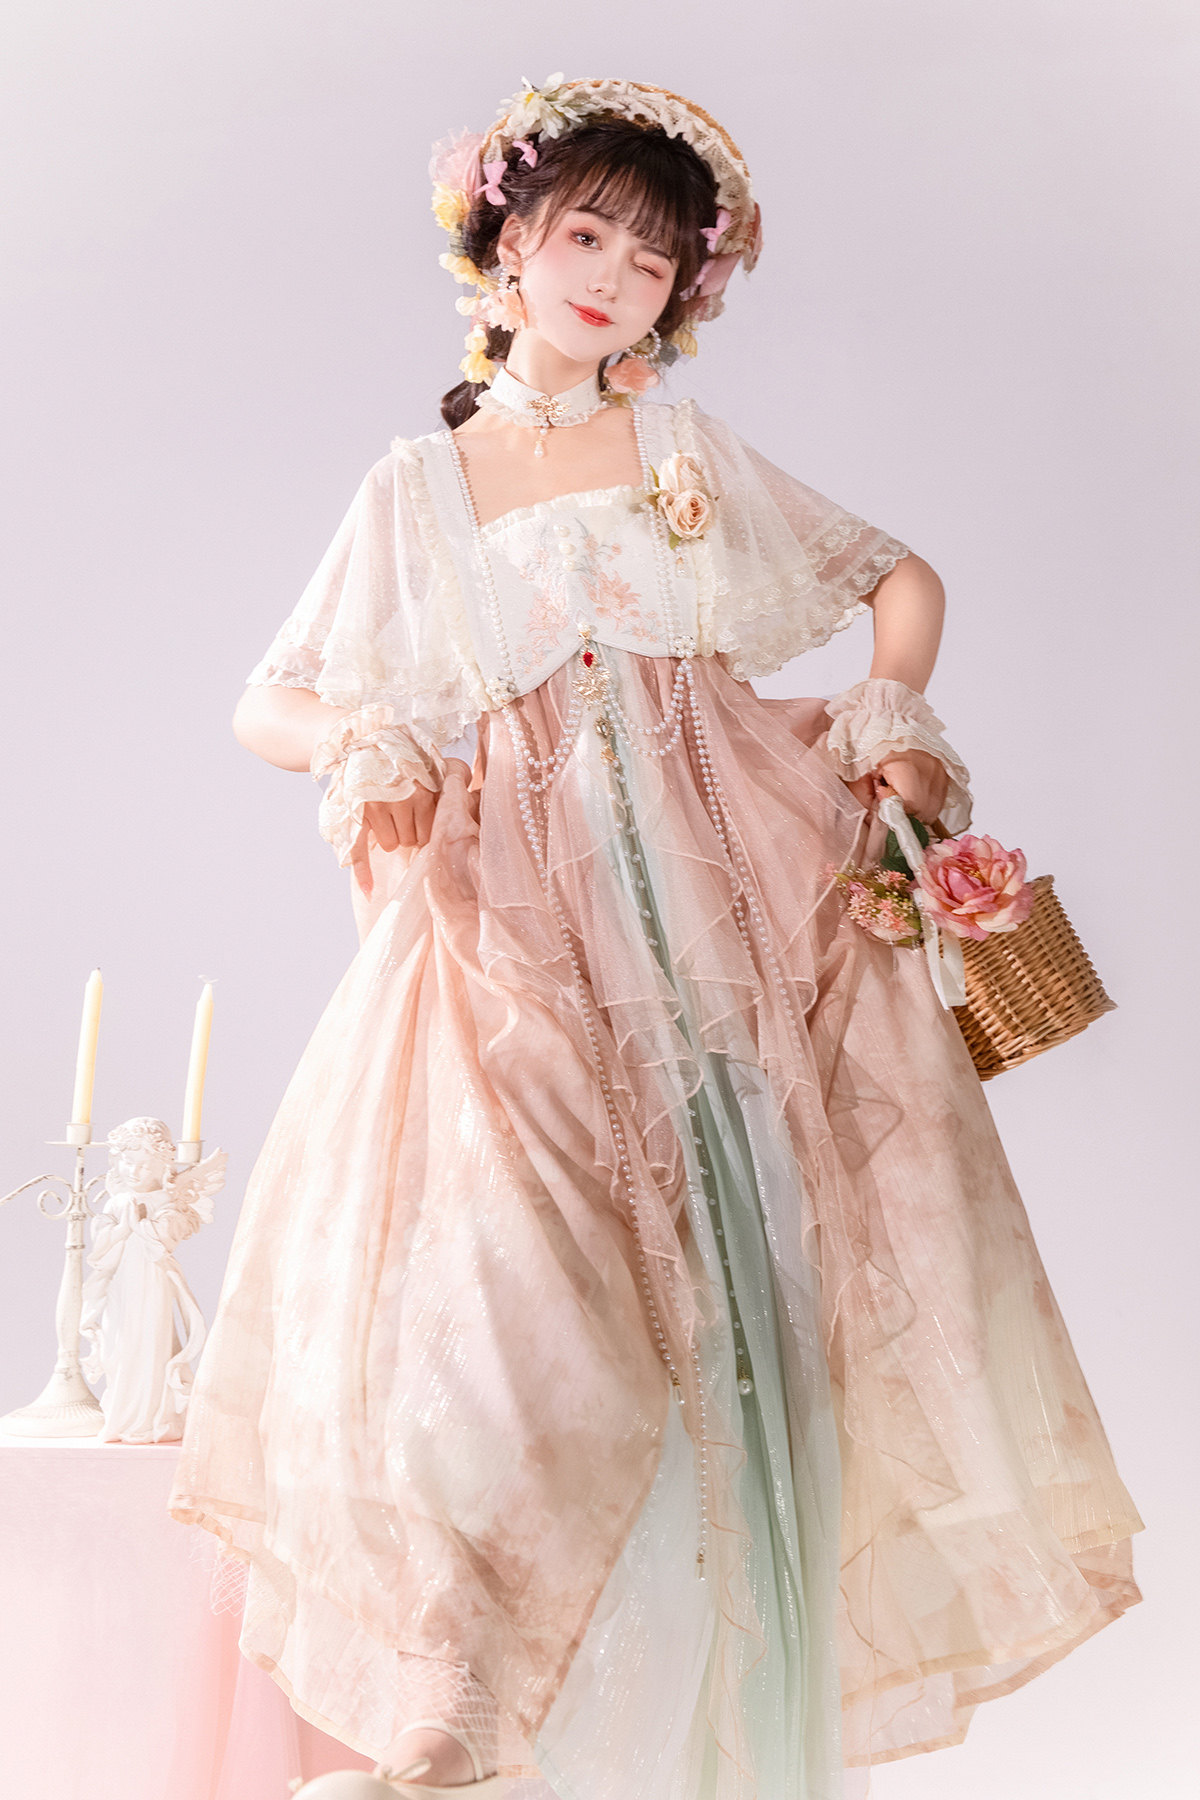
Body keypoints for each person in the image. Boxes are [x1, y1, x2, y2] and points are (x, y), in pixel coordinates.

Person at [167, 76, 1143, 1800]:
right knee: (498, 1310)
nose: (616, 278)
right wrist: (364, 738)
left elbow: (894, 576)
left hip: (727, 925)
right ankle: (471, 1697)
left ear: (685, 291)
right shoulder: (418, 488)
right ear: (511, 248)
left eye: (655, 257)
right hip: (516, 936)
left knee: (748, 1314)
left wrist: (890, 712)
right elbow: (271, 699)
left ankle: (712, 1748)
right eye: (588, 236)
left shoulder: (684, 456)